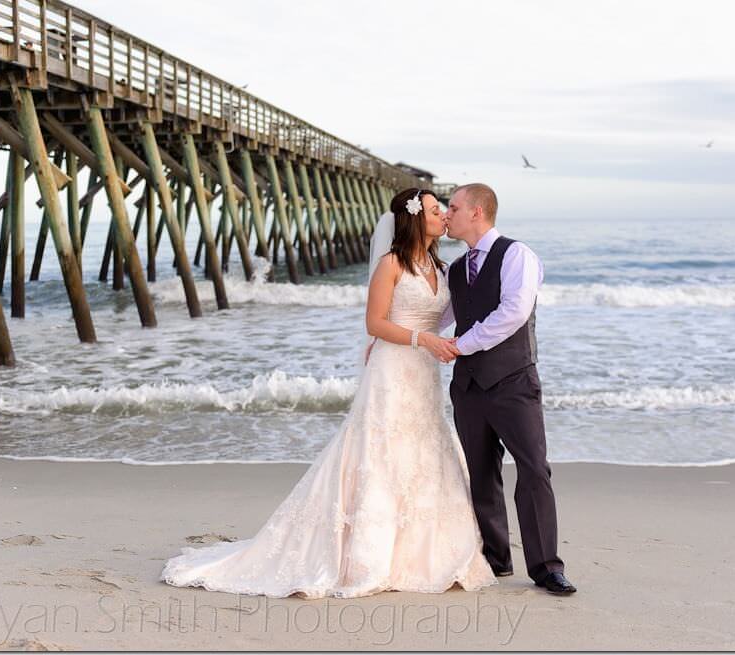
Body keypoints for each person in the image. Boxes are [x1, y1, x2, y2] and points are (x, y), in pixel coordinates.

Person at [159, 188, 497, 598]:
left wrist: (454, 341)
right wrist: (421, 340)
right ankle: (369, 555)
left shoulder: (440, 268)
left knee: (424, 448)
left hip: (423, 373)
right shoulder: (391, 264)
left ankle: (426, 553)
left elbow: (440, 316)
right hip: (393, 368)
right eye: (433, 209)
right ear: (414, 218)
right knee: (382, 449)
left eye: (442, 209)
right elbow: (375, 323)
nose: (442, 214)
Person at [441, 182, 576, 595]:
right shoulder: (455, 270)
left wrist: (461, 345)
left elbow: (514, 311)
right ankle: (496, 559)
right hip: (467, 386)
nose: (447, 214)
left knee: (534, 469)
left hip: (513, 381)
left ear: (477, 212)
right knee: (481, 474)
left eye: (453, 207)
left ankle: (546, 567)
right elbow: (440, 318)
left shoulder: (518, 255)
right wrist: (396, 335)